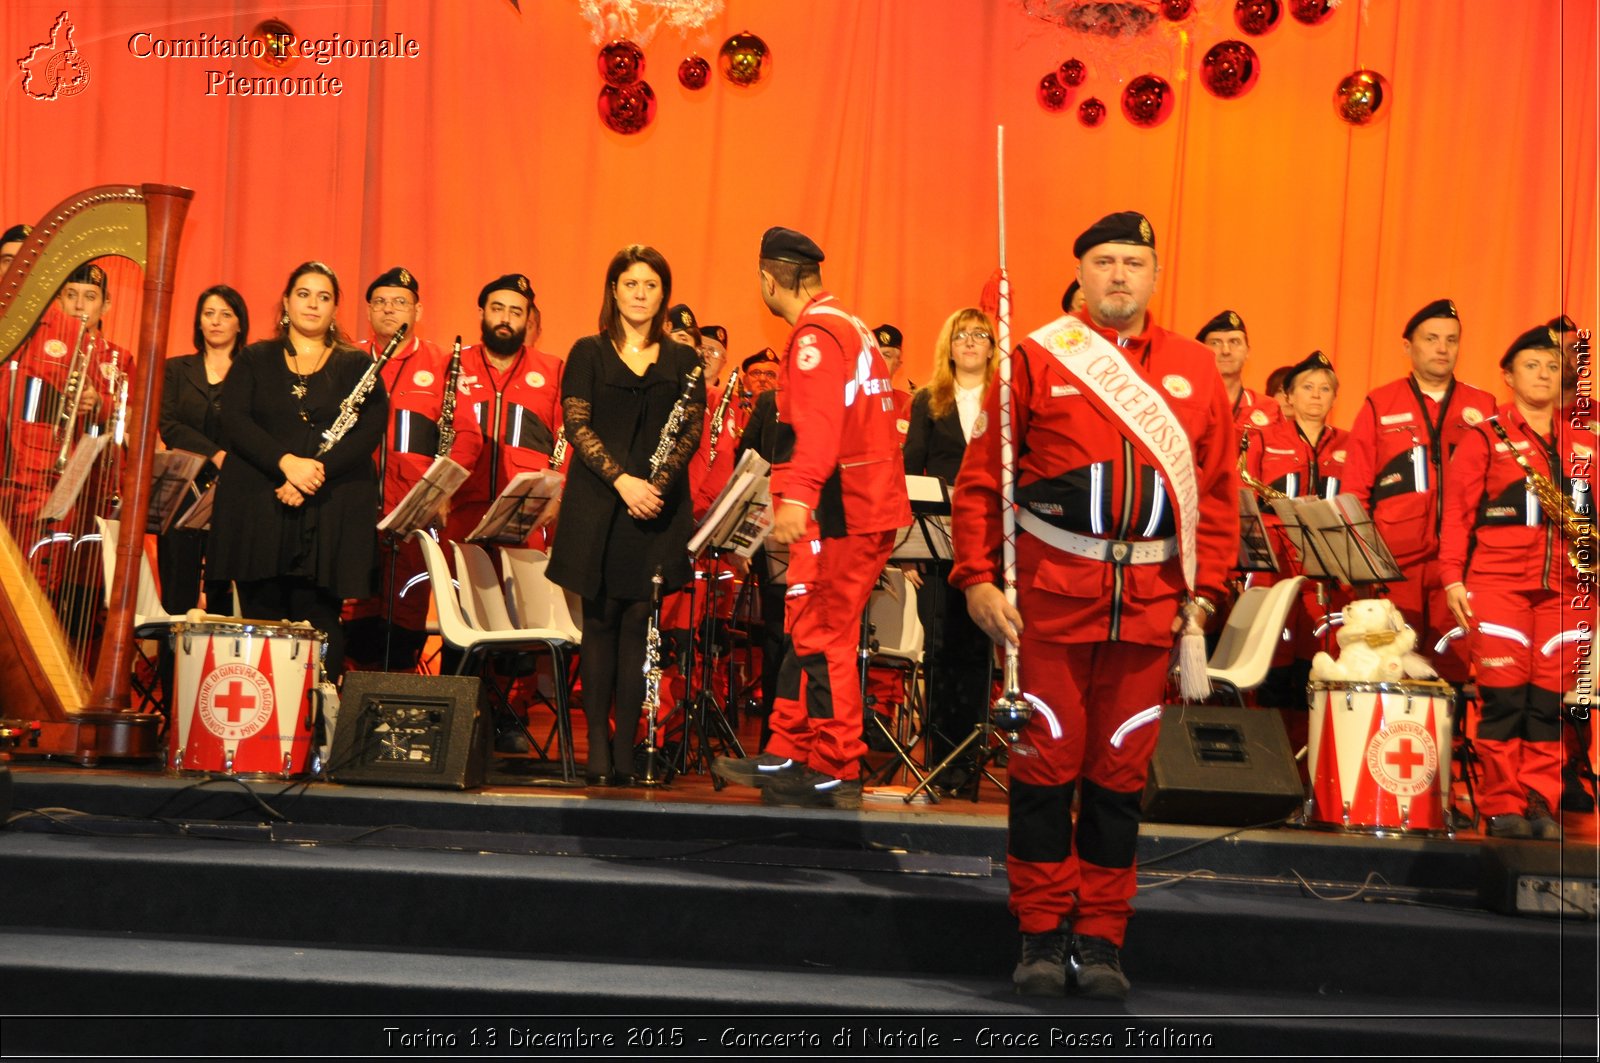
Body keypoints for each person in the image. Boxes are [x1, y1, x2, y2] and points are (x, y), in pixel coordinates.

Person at [952, 211, 1237, 1000]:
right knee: (1044, 768)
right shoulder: (1037, 356)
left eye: (1135, 262)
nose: (1120, 275)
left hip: (1150, 611)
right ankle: (1041, 932)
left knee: (1118, 776)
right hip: (1047, 603)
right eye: (1105, 260)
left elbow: (1216, 495)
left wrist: (1205, 596)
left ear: (1155, 273)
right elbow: (983, 480)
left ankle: (1103, 938)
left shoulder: (1195, 368)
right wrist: (977, 576)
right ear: (1079, 272)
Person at [713, 226, 910, 808]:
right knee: (807, 628)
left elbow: (819, 428)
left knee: (822, 634)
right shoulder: (852, 327)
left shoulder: (816, 337)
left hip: (838, 511)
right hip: (857, 506)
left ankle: (834, 764)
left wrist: (796, 497)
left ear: (768, 280)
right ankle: (789, 750)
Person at [547, 245, 704, 786]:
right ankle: (596, 744)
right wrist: (623, 481)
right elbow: (577, 425)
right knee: (599, 622)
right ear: (613, 290)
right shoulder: (587, 351)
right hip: (598, 503)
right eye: (630, 283)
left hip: (656, 508)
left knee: (639, 623)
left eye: (651, 285)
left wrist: (653, 486)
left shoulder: (684, 360)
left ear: (664, 294)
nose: (640, 293)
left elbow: (689, 431)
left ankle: (624, 747)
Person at [207, 261, 387, 681]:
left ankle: (316, 726)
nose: (313, 304)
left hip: (328, 508)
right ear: (286, 302)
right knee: (262, 613)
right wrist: (286, 464)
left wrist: (314, 474)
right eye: (304, 294)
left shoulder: (357, 365)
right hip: (259, 505)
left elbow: (369, 430)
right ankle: (265, 725)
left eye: (324, 297)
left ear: (335, 309)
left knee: (320, 616)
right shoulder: (255, 357)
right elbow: (234, 419)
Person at [1442, 326, 1587, 840]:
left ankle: (1539, 803)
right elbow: (1456, 515)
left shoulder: (1586, 442)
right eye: (1531, 365)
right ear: (1508, 375)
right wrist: (1452, 577)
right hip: (1497, 585)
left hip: (1565, 593)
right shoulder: (1484, 436)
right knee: (1504, 702)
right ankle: (1501, 804)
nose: (1543, 374)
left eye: (1551, 366)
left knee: (1547, 707)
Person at [1340, 299, 1495, 686]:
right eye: (1432, 339)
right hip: (1395, 566)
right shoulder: (1380, 402)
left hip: (1460, 568)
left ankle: (1449, 746)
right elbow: (1355, 491)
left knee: (1454, 670)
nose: (1443, 349)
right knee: (1390, 667)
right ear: (1408, 346)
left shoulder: (1484, 406)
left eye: (1451, 340)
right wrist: (1363, 564)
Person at [343, 266, 482, 672]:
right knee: (356, 615)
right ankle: (353, 706)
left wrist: (439, 491)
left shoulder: (443, 363)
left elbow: (468, 437)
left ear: (418, 310)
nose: (390, 310)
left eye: (400, 302)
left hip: (415, 514)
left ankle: (399, 705)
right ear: (368, 310)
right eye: (381, 302)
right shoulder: (349, 360)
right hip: (356, 511)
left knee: (405, 615)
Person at [902, 307, 999, 771]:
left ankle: (972, 761)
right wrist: (906, 550)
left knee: (979, 650)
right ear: (949, 345)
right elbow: (907, 474)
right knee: (939, 648)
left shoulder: (1006, 401)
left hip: (991, 545)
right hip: (936, 546)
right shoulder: (927, 400)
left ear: (991, 346)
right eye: (961, 335)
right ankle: (942, 759)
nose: (970, 342)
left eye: (980, 334)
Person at [1241, 351, 1348, 716]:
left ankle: (1310, 765)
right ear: (1288, 396)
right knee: (1272, 669)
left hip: (1327, 575)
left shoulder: (1350, 443)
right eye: (1307, 387)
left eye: (1325, 389)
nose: (1316, 396)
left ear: (1335, 397)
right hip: (1275, 570)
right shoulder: (1261, 438)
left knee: (1316, 670)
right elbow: (1245, 503)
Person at [444, 273, 564, 551]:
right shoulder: (453, 365)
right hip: (463, 508)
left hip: (526, 513)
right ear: (482, 312)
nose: (505, 319)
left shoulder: (554, 370)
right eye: (497, 308)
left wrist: (557, 495)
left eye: (515, 312)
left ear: (527, 320)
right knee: (461, 593)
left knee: (521, 595)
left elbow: (567, 440)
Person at [157, 284, 249, 616]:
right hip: (182, 489)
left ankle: (218, 665)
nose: (216, 321)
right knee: (177, 593)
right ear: (198, 321)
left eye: (226, 314)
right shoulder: (175, 369)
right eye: (209, 314)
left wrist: (231, 461)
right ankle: (171, 666)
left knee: (223, 589)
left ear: (240, 324)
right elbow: (169, 425)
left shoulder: (252, 372)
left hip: (234, 490)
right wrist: (216, 454)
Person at [1196, 309, 1277, 428]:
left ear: (1248, 351)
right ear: (1202, 351)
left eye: (1234, 342)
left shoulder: (1269, 408)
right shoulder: (1189, 404)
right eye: (1215, 343)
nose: (1226, 351)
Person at [873, 323, 913, 443]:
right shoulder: (849, 402)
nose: (889, 363)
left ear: (898, 365)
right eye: (886, 355)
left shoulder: (908, 405)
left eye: (895, 358)